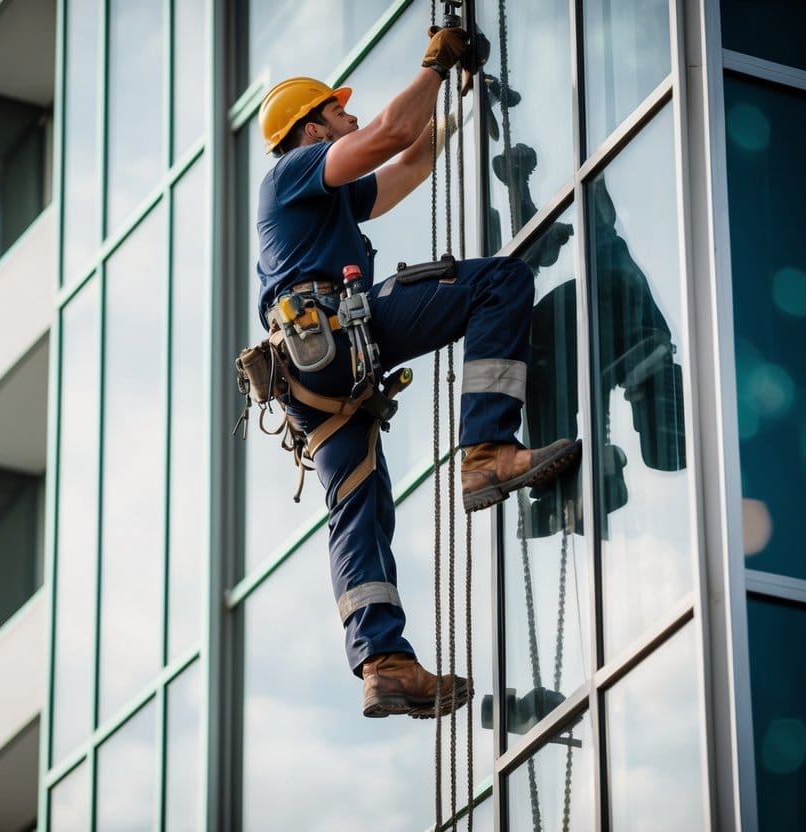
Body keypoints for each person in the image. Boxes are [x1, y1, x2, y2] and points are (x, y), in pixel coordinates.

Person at [254, 26, 581, 719]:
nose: (348, 116)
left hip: (317, 377)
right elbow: (386, 135)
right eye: (337, 112)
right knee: (497, 283)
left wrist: (456, 106)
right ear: (311, 128)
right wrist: (433, 65)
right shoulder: (289, 173)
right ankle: (488, 451)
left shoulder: (325, 200)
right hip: (336, 338)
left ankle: (383, 663)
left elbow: (406, 165)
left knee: (357, 506)